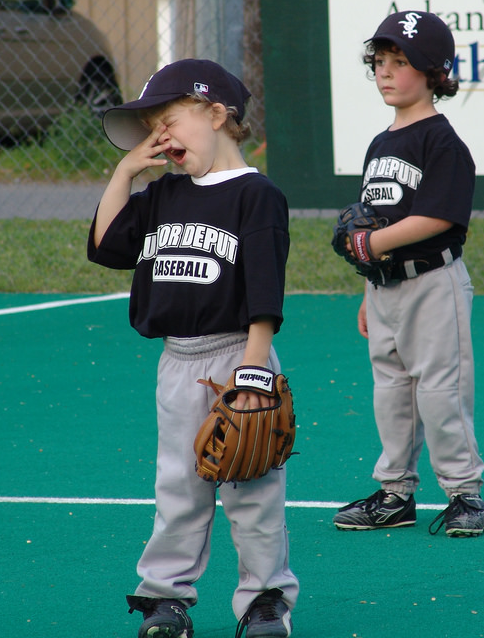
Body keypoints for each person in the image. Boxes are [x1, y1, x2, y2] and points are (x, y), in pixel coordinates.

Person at [87, 58, 297, 638]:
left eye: (170, 119)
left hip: (238, 355)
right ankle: (165, 599)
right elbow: (106, 246)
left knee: (252, 487)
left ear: (217, 113)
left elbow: (264, 291)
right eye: (152, 127)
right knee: (178, 484)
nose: (161, 137)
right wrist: (125, 173)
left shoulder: (257, 196)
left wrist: (253, 371)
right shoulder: (162, 195)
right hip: (177, 361)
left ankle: (264, 601)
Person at [332, 11, 484, 537]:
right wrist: (367, 283)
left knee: (440, 389)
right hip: (386, 288)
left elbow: (438, 215)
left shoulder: (441, 142)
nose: (386, 72)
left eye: (401, 62)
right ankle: (396, 492)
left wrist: (371, 244)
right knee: (391, 390)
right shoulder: (381, 143)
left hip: (432, 283)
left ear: (434, 73)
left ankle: (465, 495)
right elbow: (376, 215)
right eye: (380, 61)